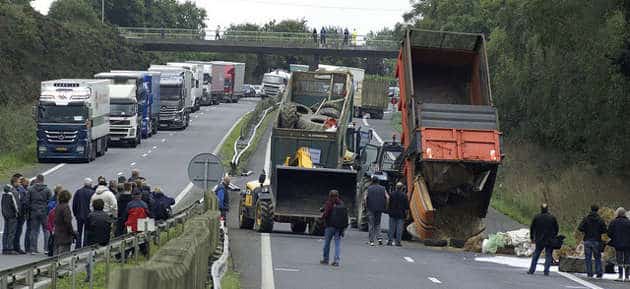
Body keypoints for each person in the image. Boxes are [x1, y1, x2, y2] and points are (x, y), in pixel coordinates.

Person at [527, 203, 559, 276]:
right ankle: (546, 271)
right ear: (547, 209)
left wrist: (532, 237)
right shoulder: (552, 218)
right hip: (549, 239)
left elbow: (532, 228)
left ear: (541, 209)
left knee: (536, 254)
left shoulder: (537, 217)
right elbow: (556, 228)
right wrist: (554, 236)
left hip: (539, 239)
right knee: (548, 255)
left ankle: (532, 270)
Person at [85, 199, 112, 282]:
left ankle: (89, 277)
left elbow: (87, 228)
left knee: (89, 260)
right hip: (105, 240)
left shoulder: (90, 215)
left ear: (93, 206)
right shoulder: (107, 215)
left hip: (93, 241)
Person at [578, 204, 607, 278]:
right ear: (597, 210)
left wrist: (586, 230)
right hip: (597, 240)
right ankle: (598, 272)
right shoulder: (600, 219)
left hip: (587, 239)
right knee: (597, 257)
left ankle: (589, 272)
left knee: (588, 257)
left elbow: (580, 228)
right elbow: (604, 230)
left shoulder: (586, 219)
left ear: (590, 209)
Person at [27, 174, 52, 254]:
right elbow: (50, 202)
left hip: (34, 211)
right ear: (43, 180)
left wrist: (31, 208)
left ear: (37, 179)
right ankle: (46, 248)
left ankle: (33, 249)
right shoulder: (47, 190)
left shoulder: (30, 189)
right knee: (46, 230)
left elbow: (27, 201)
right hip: (44, 212)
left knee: (34, 230)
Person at [320, 190, 346, 266]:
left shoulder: (329, 203)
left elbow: (326, 213)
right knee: (337, 244)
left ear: (330, 196)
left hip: (330, 226)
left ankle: (326, 259)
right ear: (338, 196)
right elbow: (344, 215)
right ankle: (336, 260)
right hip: (339, 227)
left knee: (327, 243)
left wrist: (322, 217)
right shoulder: (341, 203)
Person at [124, 192, 150, 256]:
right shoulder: (144, 204)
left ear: (133, 196)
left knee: (127, 237)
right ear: (140, 196)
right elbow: (148, 214)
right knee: (142, 237)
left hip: (131, 225)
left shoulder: (129, 204)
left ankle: (127, 253)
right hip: (141, 224)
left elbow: (126, 215)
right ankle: (144, 252)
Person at [365, 175, 388, 246]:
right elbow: (387, 197)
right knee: (377, 224)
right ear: (378, 181)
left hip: (371, 208)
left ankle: (371, 241)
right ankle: (379, 238)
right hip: (379, 208)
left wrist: (366, 206)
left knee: (371, 224)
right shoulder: (383, 188)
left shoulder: (369, 188)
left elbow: (365, 198)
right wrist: (386, 206)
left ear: (372, 181)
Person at [608, 207, 630, 281]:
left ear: (617, 213)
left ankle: (620, 276)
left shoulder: (614, 222)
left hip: (618, 244)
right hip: (628, 244)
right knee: (627, 260)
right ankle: (627, 277)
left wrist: (614, 238)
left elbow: (609, 233)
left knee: (619, 260)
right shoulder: (628, 222)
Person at [73, 178, 94, 248]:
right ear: (90, 184)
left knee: (79, 231)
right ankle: (85, 245)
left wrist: (75, 214)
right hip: (88, 215)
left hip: (79, 215)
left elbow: (74, 204)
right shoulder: (92, 193)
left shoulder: (78, 192)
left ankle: (78, 245)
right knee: (86, 231)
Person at [53, 190, 75, 255]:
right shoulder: (66, 207)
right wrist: (72, 232)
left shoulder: (58, 206)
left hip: (57, 234)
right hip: (64, 235)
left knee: (56, 254)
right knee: (63, 255)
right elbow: (68, 222)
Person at [387, 182, 408, 246]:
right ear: (402, 188)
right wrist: (406, 214)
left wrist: (389, 211)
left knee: (391, 228)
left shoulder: (392, 194)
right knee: (399, 229)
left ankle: (390, 241)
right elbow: (406, 206)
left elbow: (389, 204)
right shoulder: (404, 195)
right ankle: (398, 242)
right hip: (401, 214)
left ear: (396, 187)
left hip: (392, 213)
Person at [11, 175, 26, 254]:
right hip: (17, 214)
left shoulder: (21, 189)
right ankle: (14, 247)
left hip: (21, 214)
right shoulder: (13, 191)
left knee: (18, 231)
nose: (20, 183)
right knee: (15, 231)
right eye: (19, 181)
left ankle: (16, 247)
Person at [2, 184, 19, 255]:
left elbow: (2, 205)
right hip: (12, 215)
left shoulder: (3, 195)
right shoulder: (11, 195)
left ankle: (4, 248)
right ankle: (10, 248)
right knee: (11, 232)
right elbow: (15, 205)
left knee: (6, 232)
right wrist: (17, 213)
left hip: (6, 215)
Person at [18, 177, 31, 253]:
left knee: (20, 230)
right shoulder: (22, 190)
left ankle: (19, 246)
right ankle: (16, 246)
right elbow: (23, 202)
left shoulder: (25, 190)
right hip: (21, 213)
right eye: (26, 182)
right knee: (18, 230)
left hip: (23, 213)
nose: (28, 184)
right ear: (22, 182)